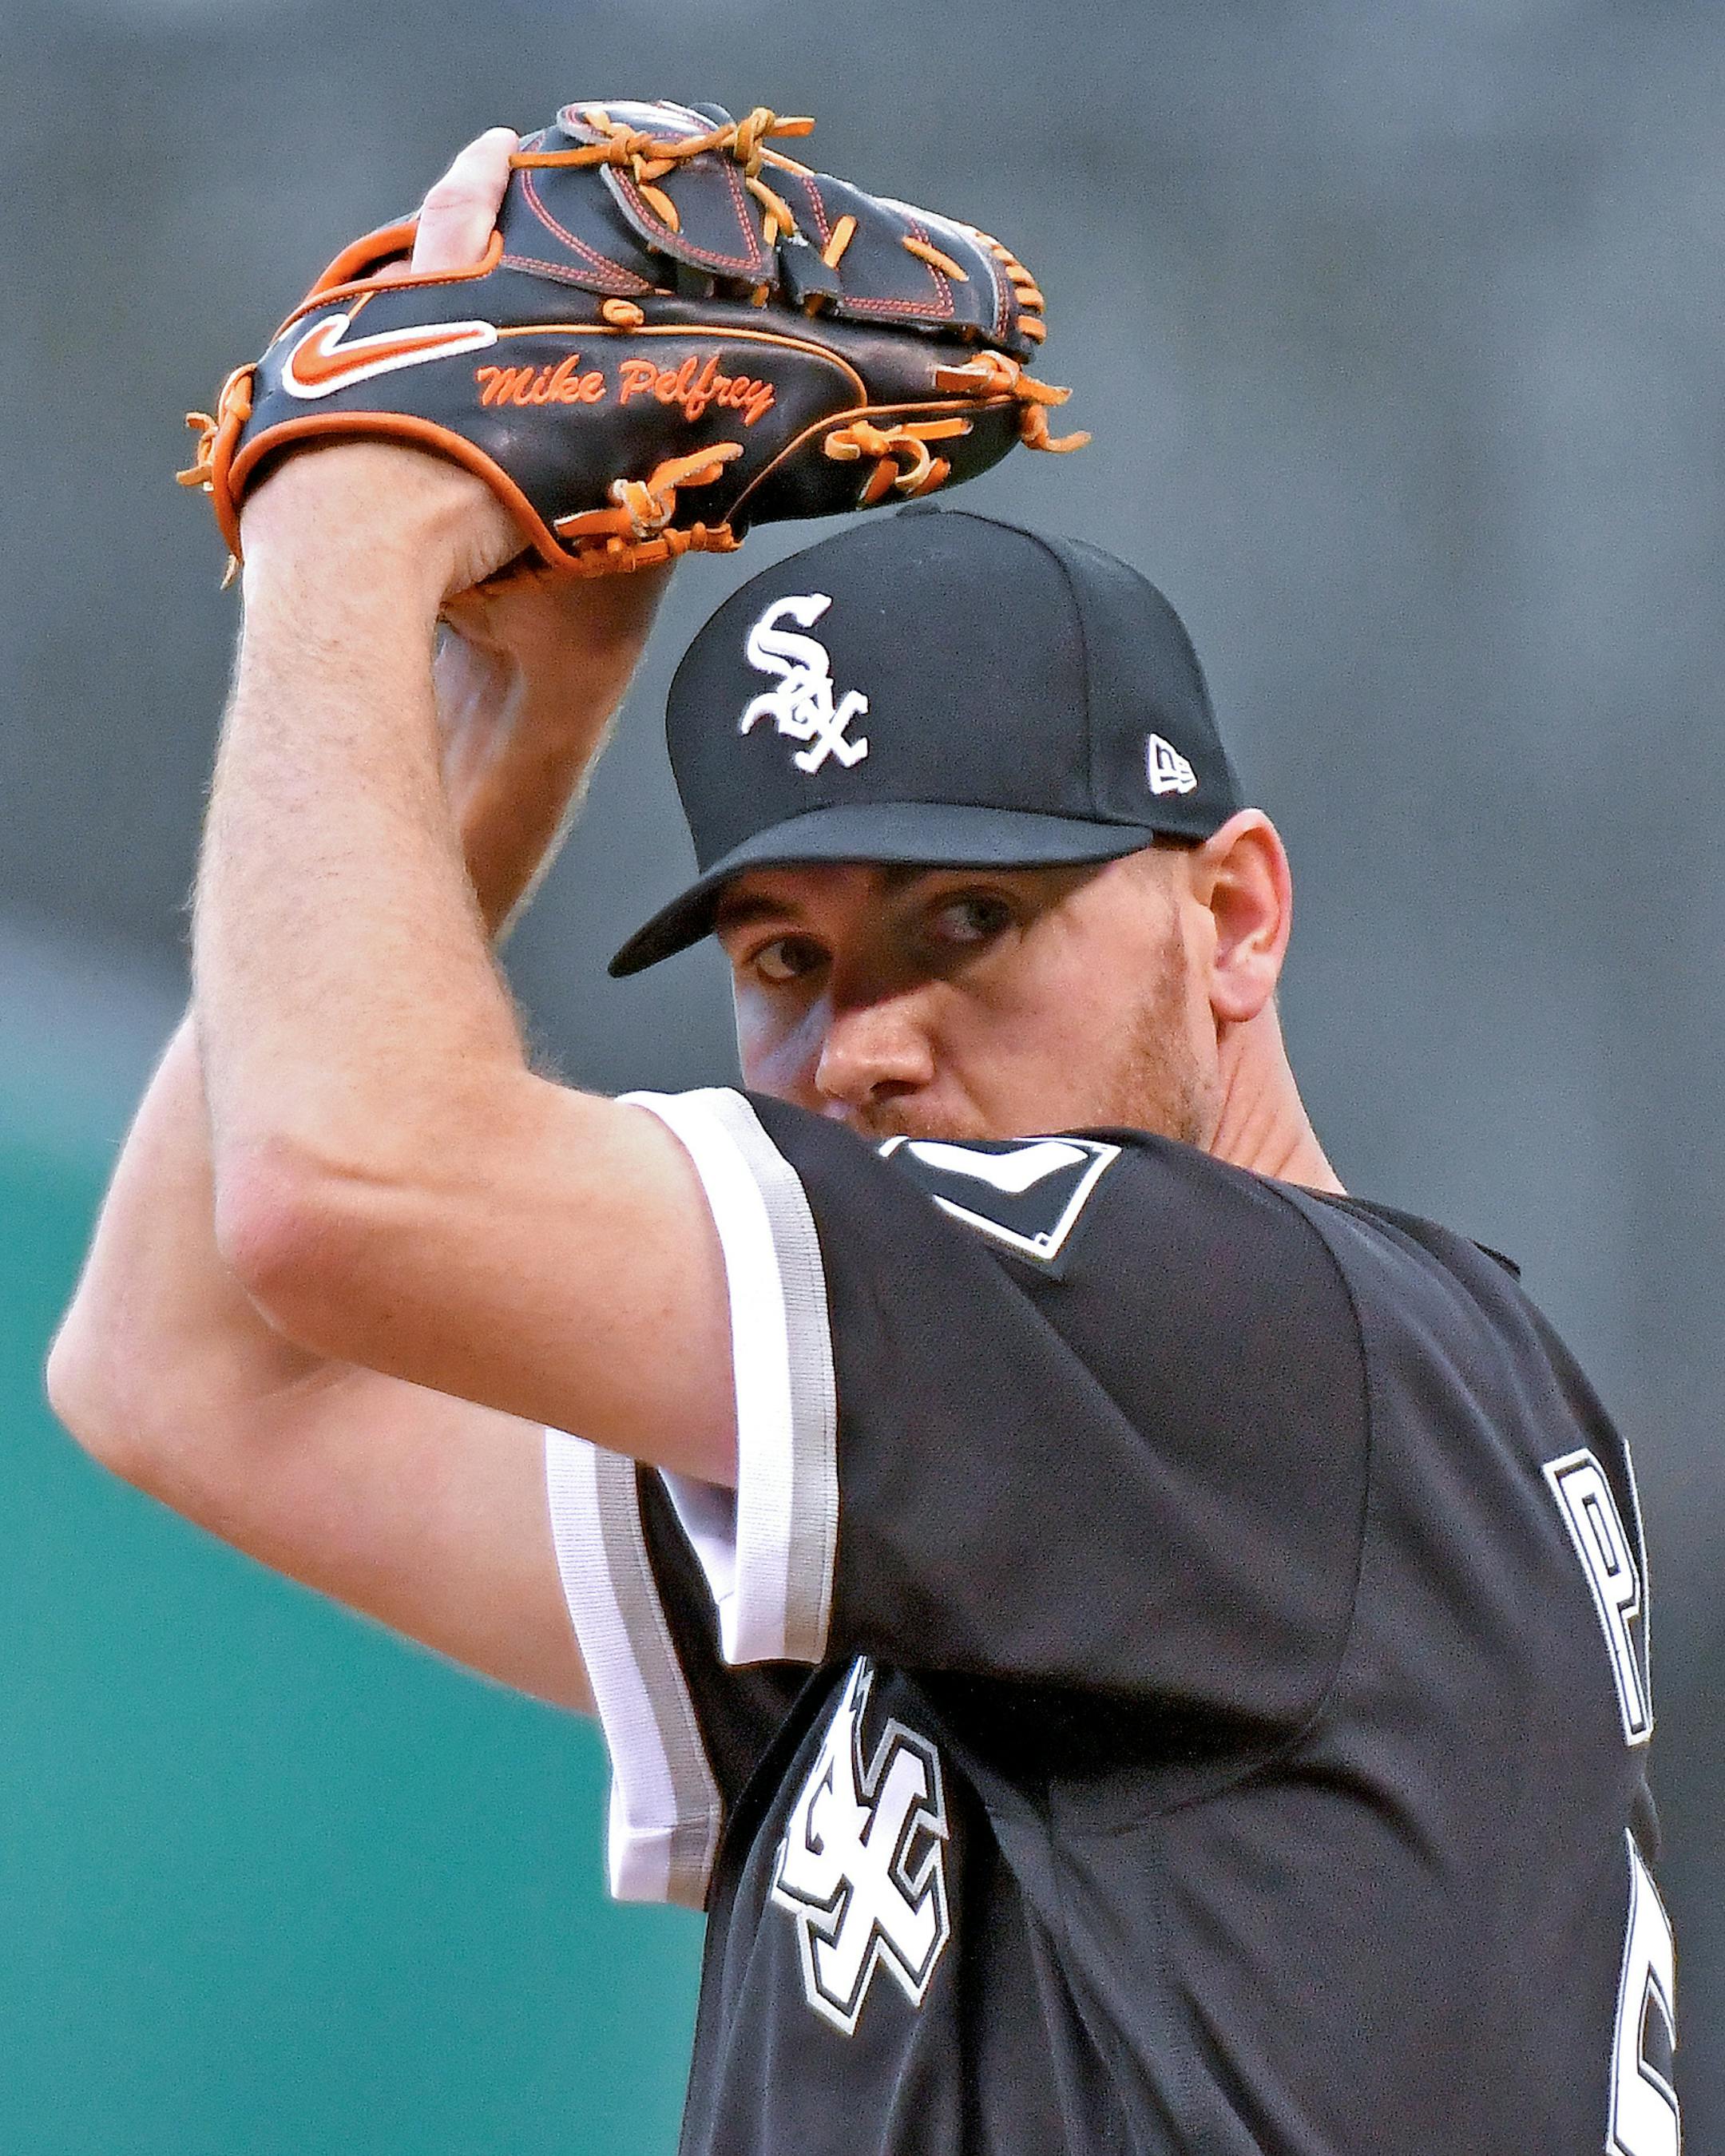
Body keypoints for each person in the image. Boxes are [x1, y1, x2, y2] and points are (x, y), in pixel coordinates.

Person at [47, 131, 1676, 2156]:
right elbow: (191, 1383)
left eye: (970, 920)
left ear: (1233, 917)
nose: (865, 1047)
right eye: (787, 956)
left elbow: (336, 1187)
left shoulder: (1238, 1339)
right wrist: (514, 723)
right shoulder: (1066, 1497)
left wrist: (347, 523)